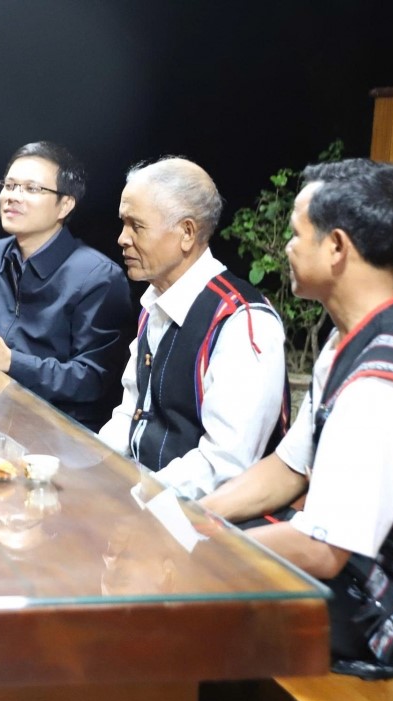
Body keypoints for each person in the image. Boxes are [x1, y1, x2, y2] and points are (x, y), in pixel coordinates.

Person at [201, 158, 393, 678]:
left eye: (296, 234)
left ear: (336, 247)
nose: (287, 247)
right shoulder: (348, 337)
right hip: (356, 566)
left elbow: (322, 550)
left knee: (194, 602)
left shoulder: (386, 382)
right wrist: (199, 517)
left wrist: (208, 548)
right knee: (201, 566)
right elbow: (288, 468)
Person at [97, 157, 287, 499]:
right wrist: (92, 472)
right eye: (123, 224)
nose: (122, 239)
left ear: (187, 232)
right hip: (145, 502)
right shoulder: (155, 302)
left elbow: (224, 464)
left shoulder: (241, 321)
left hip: (202, 519)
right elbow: (131, 414)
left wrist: (137, 498)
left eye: (136, 226)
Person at [0, 141, 131, 431]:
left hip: (56, 430)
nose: (12, 197)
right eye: (9, 186)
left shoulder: (98, 276)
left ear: (65, 204)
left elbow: (94, 379)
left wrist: (9, 361)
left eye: (31, 189)